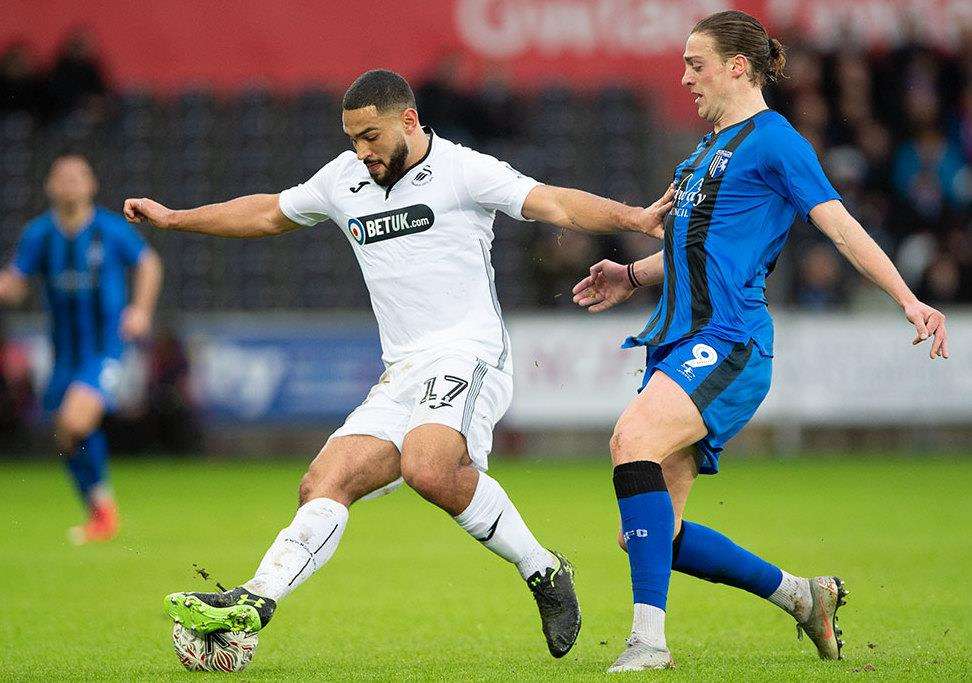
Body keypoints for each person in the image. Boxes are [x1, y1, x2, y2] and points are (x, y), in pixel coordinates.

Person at [125, 68, 672, 659]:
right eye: (352, 138)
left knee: (428, 466)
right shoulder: (343, 178)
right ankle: (255, 600)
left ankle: (541, 571)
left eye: (371, 137)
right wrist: (176, 219)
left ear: (408, 121)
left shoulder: (464, 171)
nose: (361, 152)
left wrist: (636, 219)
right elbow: (267, 214)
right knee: (322, 482)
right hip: (402, 372)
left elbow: (554, 203)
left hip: (471, 353)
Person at [571, 10, 949, 672]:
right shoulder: (700, 153)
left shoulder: (775, 142)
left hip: (731, 339)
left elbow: (841, 227)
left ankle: (649, 642)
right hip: (680, 341)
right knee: (656, 535)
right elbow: (697, 248)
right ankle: (804, 596)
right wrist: (631, 273)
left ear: (737, 67)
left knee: (629, 440)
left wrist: (908, 298)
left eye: (696, 64)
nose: (684, 77)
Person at [0, 153, 162, 543]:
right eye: (63, 177)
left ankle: (104, 513)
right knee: (67, 434)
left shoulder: (110, 229)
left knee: (76, 420)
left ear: (92, 185)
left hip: (106, 347)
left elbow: (149, 263)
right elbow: (16, 285)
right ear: (50, 186)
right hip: (63, 354)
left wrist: (140, 310)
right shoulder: (39, 234)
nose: (71, 183)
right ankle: (101, 512)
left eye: (79, 176)